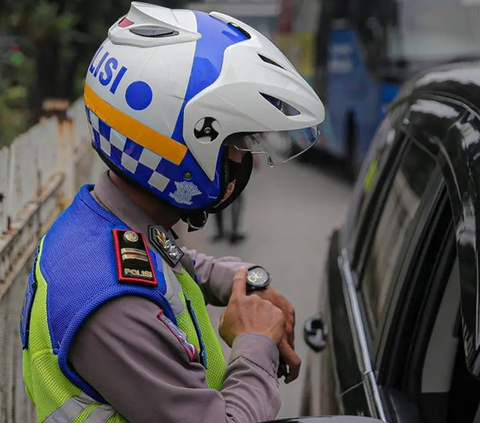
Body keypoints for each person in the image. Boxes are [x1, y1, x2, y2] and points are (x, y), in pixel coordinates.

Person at [20, 3, 325, 423]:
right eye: (234, 143)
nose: (241, 158)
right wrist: (255, 344)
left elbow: (164, 262)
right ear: (181, 146)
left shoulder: (99, 220)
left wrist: (237, 278)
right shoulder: (114, 306)